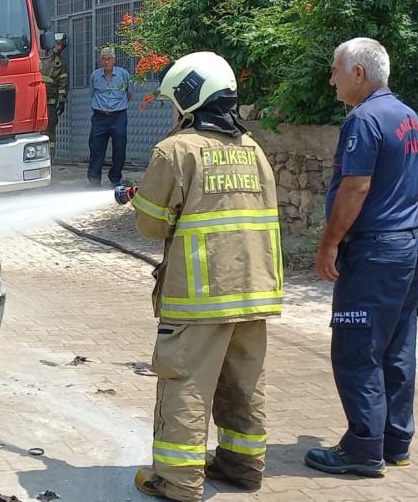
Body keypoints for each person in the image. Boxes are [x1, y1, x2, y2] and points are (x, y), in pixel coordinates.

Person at [126, 52, 282, 502]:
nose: (174, 113)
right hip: (254, 289)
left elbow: (152, 224)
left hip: (199, 297)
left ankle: (176, 481)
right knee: (244, 381)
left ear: (189, 99)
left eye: (175, 103)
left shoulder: (176, 150)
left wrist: (143, 198)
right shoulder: (253, 150)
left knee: (185, 383)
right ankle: (242, 466)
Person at [304, 38, 418, 478]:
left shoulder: (364, 118)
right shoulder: (408, 116)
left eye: (335, 69)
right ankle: (395, 441)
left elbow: (356, 188)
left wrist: (329, 243)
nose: (331, 77)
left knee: (357, 349)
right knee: (397, 347)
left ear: (359, 73)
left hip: (375, 251)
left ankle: (362, 448)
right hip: (409, 246)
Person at [88, 47, 132, 187]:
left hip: (118, 116)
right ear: (100, 60)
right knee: (95, 148)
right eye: (104, 59)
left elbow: (129, 94)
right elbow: (92, 93)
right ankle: (94, 180)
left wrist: (117, 107)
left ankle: (115, 179)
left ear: (114, 60)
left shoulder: (124, 74)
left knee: (119, 148)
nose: (107, 62)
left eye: (109, 59)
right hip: (99, 116)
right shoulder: (95, 76)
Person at [41, 33, 69, 151]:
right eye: (57, 44)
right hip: (35, 102)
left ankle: (50, 157)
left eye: (61, 46)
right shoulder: (39, 57)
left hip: (50, 104)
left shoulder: (60, 64)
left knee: (50, 132)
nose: (58, 48)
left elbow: (63, 84)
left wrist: (62, 101)